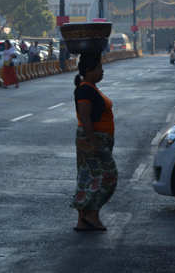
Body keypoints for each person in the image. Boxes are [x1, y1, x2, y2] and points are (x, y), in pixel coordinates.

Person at [72, 53, 116, 232]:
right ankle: (92, 214)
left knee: (88, 178)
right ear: (88, 71)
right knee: (108, 176)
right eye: (99, 68)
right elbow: (85, 117)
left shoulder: (91, 87)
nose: (102, 71)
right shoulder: (85, 90)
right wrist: (94, 143)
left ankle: (83, 220)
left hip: (97, 139)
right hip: (92, 140)